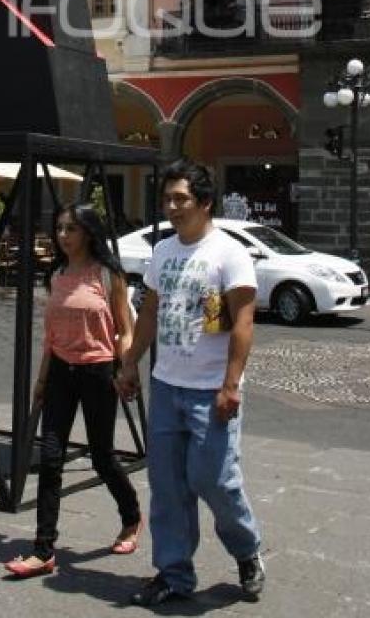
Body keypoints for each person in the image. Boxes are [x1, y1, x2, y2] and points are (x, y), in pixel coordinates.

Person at [117, 160, 265, 606]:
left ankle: (247, 550)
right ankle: (174, 574)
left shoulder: (229, 253)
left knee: (215, 480)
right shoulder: (163, 252)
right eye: (167, 199)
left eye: (181, 198)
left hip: (210, 390)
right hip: (166, 386)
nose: (172, 206)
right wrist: (130, 364)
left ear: (204, 202)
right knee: (167, 487)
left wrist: (231, 384)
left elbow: (243, 320)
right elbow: (148, 313)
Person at [4, 203, 141, 577]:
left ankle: (131, 517)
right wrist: (42, 379)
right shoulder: (57, 274)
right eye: (60, 228)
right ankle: (43, 549)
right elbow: (51, 336)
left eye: (72, 229)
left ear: (89, 233)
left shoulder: (108, 275)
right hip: (61, 373)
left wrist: (127, 368)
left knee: (101, 455)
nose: (64, 236)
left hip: (98, 372)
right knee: (50, 459)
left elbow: (125, 329)